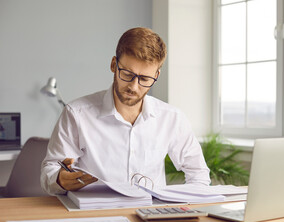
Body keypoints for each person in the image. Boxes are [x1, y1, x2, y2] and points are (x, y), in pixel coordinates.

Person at [40, 27, 211, 195]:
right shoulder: (76, 114)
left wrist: (186, 205)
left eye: (144, 78)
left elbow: (199, 174)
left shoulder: (172, 118)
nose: (133, 86)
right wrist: (60, 179)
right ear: (114, 65)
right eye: (127, 74)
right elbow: (50, 171)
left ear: (156, 76)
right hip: (94, 215)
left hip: (150, 216)